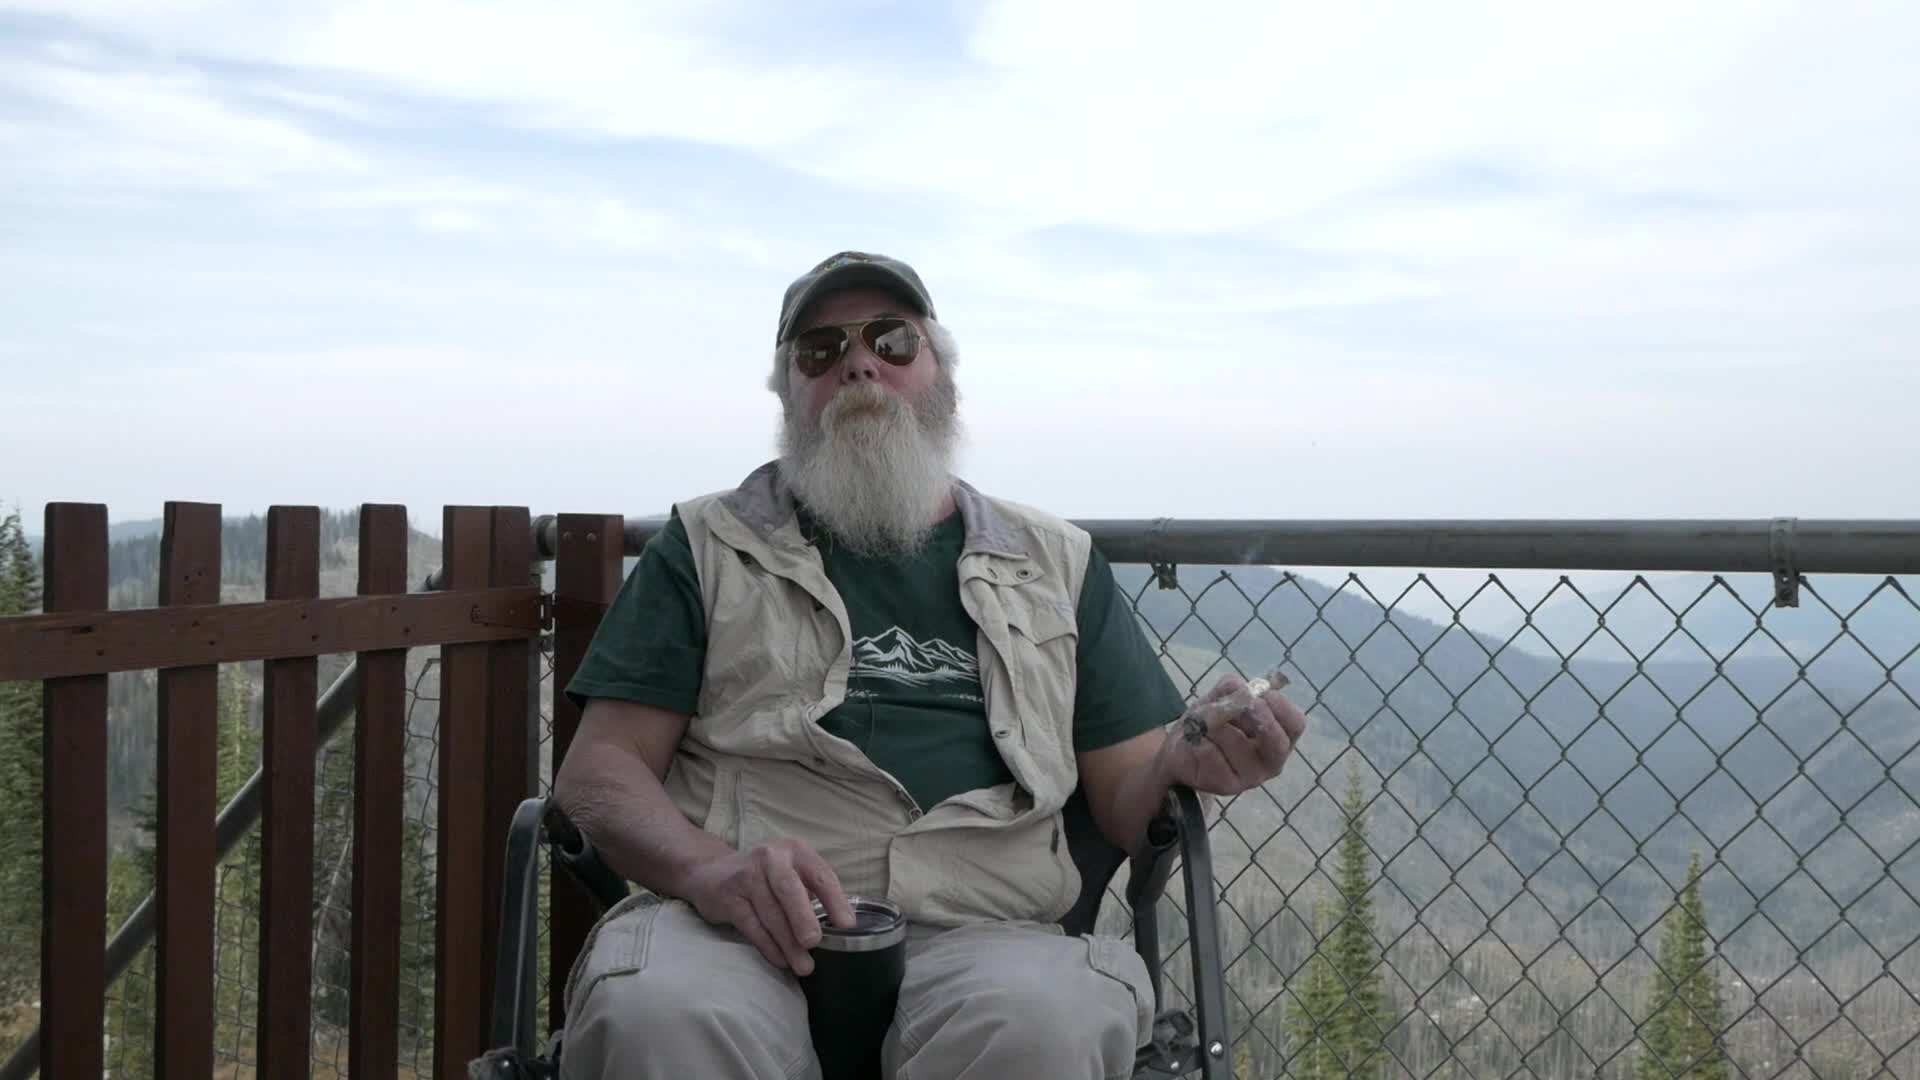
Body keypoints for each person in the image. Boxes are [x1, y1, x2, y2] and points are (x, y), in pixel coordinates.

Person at [550, 250, 1308, 1079]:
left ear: (940, 371)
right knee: (659, 1016)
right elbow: (598, 774)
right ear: (787, 392)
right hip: (738, 927)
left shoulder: (1057, 563)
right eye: (820, 349)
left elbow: (1131, 799)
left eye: (892, 340)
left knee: (1046, 1025)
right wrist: (711, 872)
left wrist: (1184, 755)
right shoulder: (703, 548)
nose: (858, 362)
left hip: (988, 930)